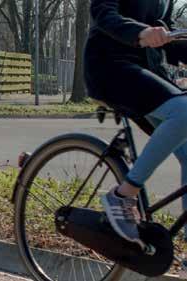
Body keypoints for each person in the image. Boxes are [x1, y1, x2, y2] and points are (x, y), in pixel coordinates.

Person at [84, 0, 187, 248]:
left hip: (147, 72)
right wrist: (141, 32)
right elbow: (102, 12)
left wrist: (164, 37)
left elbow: (167, 35)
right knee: (185, 112)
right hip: (111, 68)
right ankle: (123, 195)